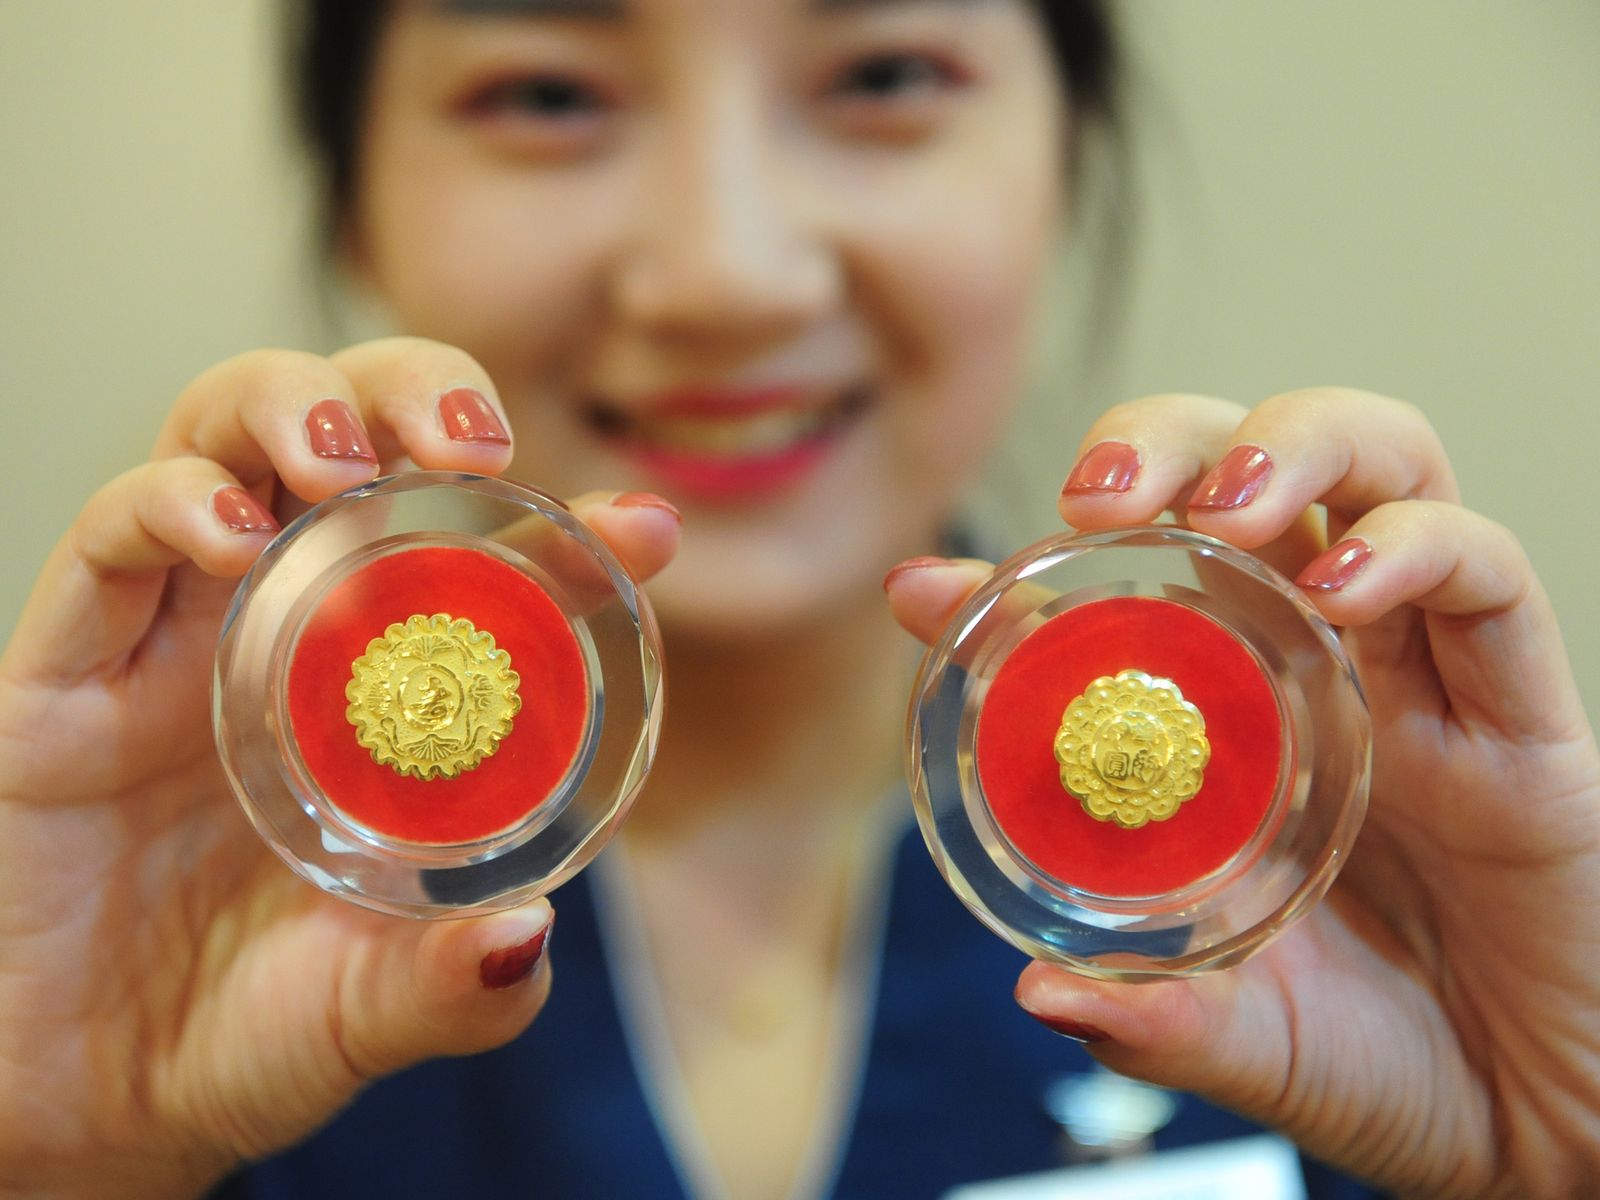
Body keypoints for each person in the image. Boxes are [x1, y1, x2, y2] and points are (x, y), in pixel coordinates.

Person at [1, 1, 1596, 1197]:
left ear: (1064, 155)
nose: (728, 271)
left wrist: (1555, 1142)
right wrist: (51, 1150)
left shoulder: (1330, 895)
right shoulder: (197, 918)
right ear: (356, 194)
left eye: (885, 74)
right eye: (545, 90)